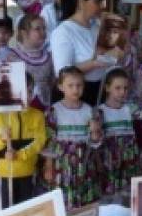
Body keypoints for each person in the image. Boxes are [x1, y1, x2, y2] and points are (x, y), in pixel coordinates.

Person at [43, 66, 104, 208]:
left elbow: (95, 142)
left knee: (84, 201)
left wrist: (95, 131)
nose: (75, 89)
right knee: (63, 201)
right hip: (62, 165)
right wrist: (48, 165)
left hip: (84, 164)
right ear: (61, 87)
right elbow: (49, 140)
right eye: (70, 86)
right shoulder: (54, 111)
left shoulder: (90, 111)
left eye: (79, 85)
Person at [48, 0, 111, 105]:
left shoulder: (97, 26)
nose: (101, 6)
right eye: (97, 2)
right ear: (81, 2)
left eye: (102, 2)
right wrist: (92, 63)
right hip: (75, 93)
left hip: (100, 90)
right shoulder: (63, 31)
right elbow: (63, 72)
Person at [0, 74, 48, 206]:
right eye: (22, 91)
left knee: (24, 210)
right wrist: (2, 139)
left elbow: (39, 141)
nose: (26, 95)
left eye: (30, 91)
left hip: (27, 171)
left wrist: (20, 155)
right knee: (6, 210)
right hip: (5, 173)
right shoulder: (0, 116)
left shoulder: (38, 116)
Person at [98, 68, 142, 196]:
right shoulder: (100, 111)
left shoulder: (130, 108)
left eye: (125, 88)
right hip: (110, 158)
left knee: (130, 191)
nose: (123, 92)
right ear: (107, 88)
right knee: (111, 191)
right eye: (117, 88)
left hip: (129, 156)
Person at [6, 14, 54, 107]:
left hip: (44, 107)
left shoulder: (49, 57)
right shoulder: (11, 56)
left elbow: (52, 81)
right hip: (20, 107)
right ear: (24, 33)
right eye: (37, 29)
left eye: (44, 28)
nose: (43, 32)